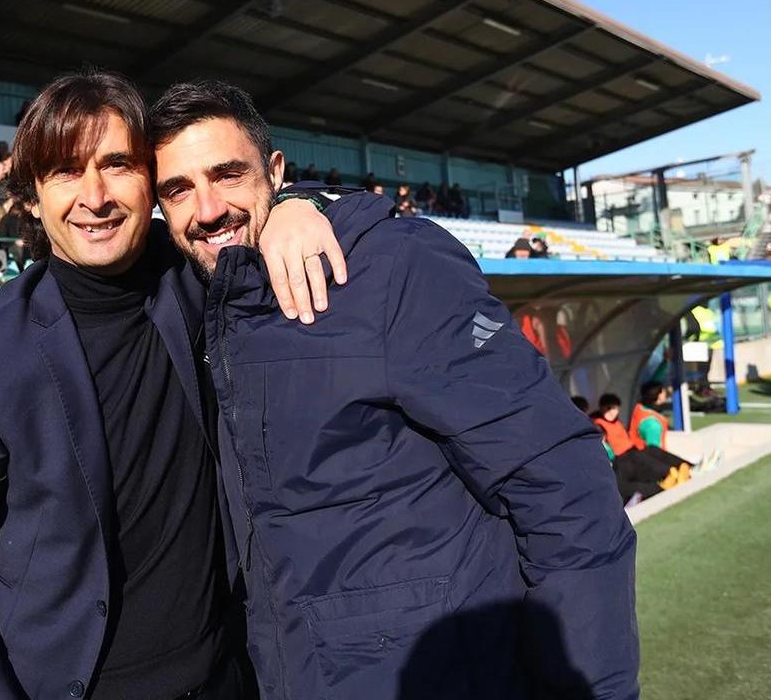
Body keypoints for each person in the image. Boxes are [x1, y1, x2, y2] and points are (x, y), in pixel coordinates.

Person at [149, 79, 639, 700]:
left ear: (275, 171)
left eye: (227, 174)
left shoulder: (391, 268)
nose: (209, 207)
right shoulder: (205, 302)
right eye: (179, 189)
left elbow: (563, 486)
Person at [0, 69, 346, 700]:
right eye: (64, 172)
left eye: (117, 164)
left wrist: (299, 206)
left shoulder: (193, 278)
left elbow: (246, 194)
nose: (95, 194)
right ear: (31, 197)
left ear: (152, 184)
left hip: (230, 676)